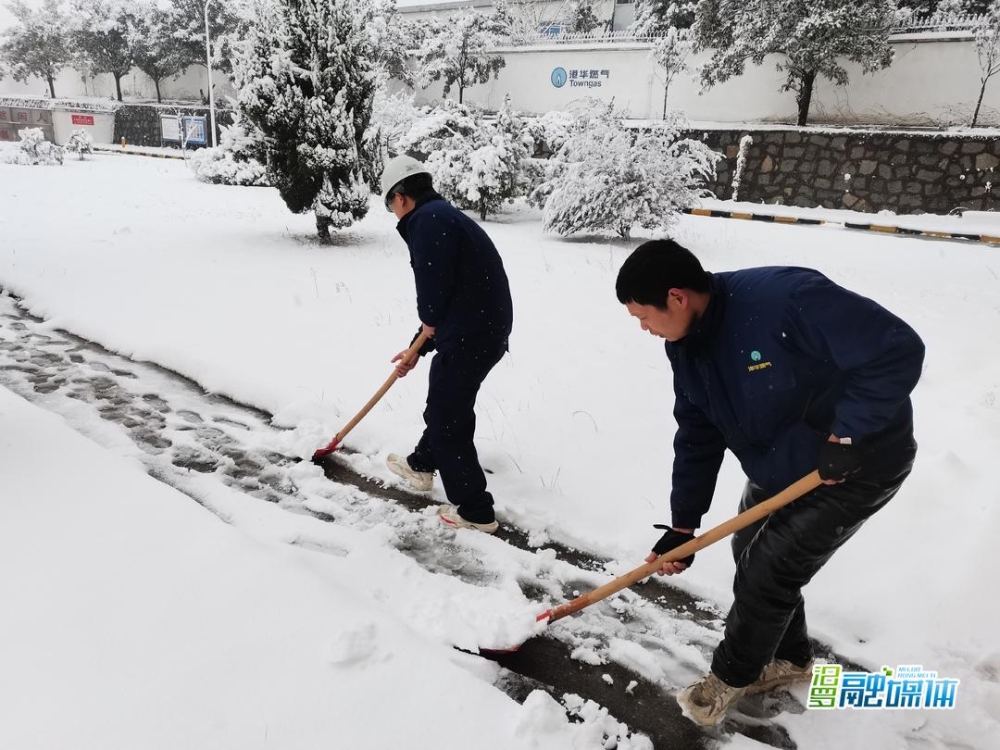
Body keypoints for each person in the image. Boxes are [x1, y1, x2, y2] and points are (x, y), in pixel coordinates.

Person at [615, 239, 924, 726]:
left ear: (677, 297)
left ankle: (730, 677)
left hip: (860, 463)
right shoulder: (686, 346)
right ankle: (790, 658)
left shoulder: (786, 299)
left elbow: (896, 349)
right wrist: (683, 526)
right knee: (749, 548)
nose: (643, 328)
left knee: (769, 568)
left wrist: (849, 434)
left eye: (643, 316)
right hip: (786, 465)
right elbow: (697, 434)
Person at [379, 155, 513, 534]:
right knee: (446, 403)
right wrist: (417, 349)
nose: (393, 213)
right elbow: (450, 297)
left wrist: (427, 327)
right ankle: (421, 464)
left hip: (472, 334)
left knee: (446, 415)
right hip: (480, 328)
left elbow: (434, 298)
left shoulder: (427, 221)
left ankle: (476, 511)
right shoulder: (442, 215)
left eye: (390, 205)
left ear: (400, 197)